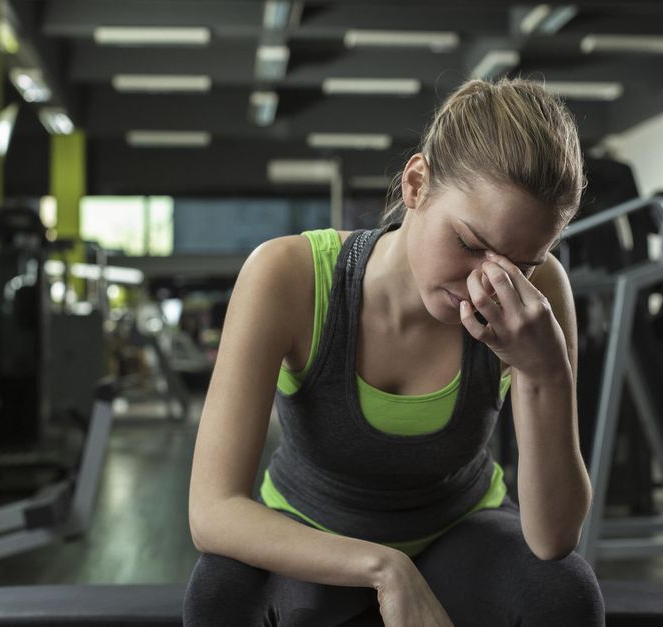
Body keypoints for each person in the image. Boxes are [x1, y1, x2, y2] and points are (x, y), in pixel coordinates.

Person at [184, 77, 604, 626]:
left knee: (563, 593)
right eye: (470, 244)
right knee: (220, 597)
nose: (487, 284)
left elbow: (553, 538)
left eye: (520, 265)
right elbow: (212, 511)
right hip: (310, 527)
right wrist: (385, 568)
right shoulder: (288, 276)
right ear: (415, 184)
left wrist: (545, 371)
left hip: (461, 531)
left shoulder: (536, 297)